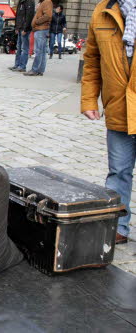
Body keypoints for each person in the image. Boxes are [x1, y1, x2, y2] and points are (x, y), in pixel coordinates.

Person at [82, 0, 136, 244]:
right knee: (118, 171)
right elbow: (92, 60)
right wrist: (89, 99)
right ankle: (118, 225)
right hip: (118, 106)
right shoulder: (103, 10)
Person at [24, 0, 53, 76]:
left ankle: (35, 70)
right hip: (41, 29)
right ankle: (40, 70)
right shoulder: (45, 2)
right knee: (42, 51)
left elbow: (48, 15)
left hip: (41, 29)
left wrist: (36, 22)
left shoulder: (47, 2)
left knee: (39, 50)